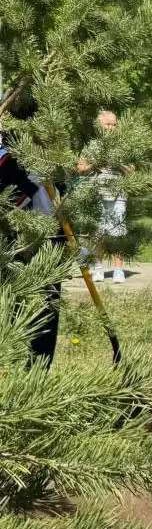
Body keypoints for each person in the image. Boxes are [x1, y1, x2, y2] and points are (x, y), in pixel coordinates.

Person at [0, 136, 59, 367]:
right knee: (13, 307)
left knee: (46, 309)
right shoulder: (9, 154)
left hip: (50, 238)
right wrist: (31, 181)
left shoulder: (49, 149)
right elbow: (9, 195)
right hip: (13, 240)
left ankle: (37, 378)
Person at [77, 110, 127, 283]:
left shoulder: (123, 145)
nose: (112, 128)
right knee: (97, 232)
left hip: (118, 194)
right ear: (99, 126)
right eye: (108, 124)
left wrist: (119, 163)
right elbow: (81, 168)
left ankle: (118, 270)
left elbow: (133, 170)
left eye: (114, 124)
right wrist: (96, 163)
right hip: (96, 194)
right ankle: (98, 268)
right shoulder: (92, 145)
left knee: (118, 232)